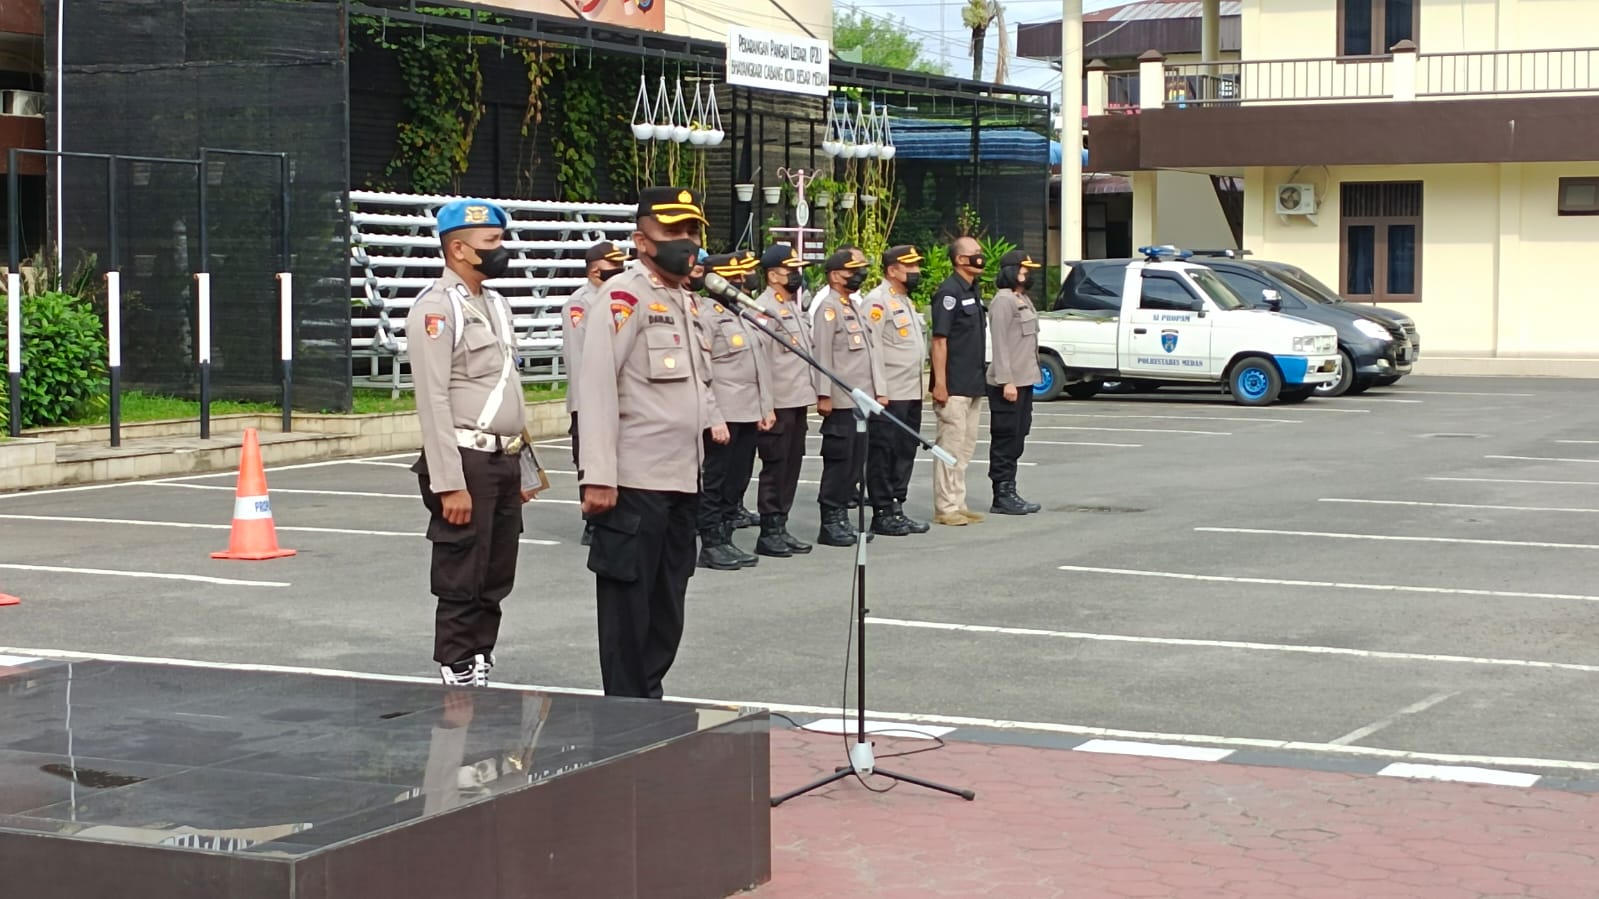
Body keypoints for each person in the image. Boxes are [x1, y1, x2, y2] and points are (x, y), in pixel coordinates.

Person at [576, 186, 715, 700]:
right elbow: (596, 387)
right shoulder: (623, 298)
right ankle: (627, 711)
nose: (686, 241)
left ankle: (648, 698)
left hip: (682, 478)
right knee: (628, 609)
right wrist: (598, 475)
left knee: (667, 604)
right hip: (634, 481)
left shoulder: (688, 301)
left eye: (692, 231)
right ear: (641, 240)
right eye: (673, 231)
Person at [405, 199, 538, 687]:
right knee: (463, 567)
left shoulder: (496, 305)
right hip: (466, 459)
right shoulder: (436, 309)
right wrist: (449, 482)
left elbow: (506, 389)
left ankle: (482, 654)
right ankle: (457, 662)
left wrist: (525, 467)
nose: (501, 250)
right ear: (458, 249)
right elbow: (432, 399)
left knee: (497, 569)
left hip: (503, 457)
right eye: (491, 242)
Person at [692, 253, 777, 570]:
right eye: (735, 277)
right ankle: (711, 543)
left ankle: (726, 536)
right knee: (715, 481)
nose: (743, 282)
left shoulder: (741, 313)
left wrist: (765, 407)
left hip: (747, 413)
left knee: (737, 479)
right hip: (723, 416)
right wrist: (713, 418)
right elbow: (702, 373)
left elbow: (758, 368)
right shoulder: (706, 315)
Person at [810, 247, 887, 547]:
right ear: (834, 275)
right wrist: (823, 394)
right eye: (852, 271)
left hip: (860, 402)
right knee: (839, 461)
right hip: (841, 401)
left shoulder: (852, 306)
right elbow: (822, 355)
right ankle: (830, 522)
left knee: (855, 462)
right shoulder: (828, 308)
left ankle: (842, 516)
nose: (859, 275)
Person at [750, 244, 817, 557]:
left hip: (797, 399)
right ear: (773, 275)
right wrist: (766, 406)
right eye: (790, 270)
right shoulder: (764, 308)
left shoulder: (791, 306)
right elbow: (760, 361)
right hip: (778, 401)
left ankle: (781, 524)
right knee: (776, 466)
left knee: (792, 464)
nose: (796, 275)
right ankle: (769, 530)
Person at [861, 245, 930, 536]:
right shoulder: (877, 302)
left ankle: (897, 506)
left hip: (911, 390)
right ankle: (882, 511)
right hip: (889, 393)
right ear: (892, 270)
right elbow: (872, 350)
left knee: (905, 450)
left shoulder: (905, 301)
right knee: (883, 452)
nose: (916, 271)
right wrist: (879, 391)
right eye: (909, 266)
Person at [563, 242, 627, 546]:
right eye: (613, 265)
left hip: (618, 396)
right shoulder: (580, 304)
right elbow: (579, 357)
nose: (620, 270)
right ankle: (593, 522)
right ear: (594, 271)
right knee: (590, 457)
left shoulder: (621, 299)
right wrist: (587, 403)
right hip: (590, 399)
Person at [928, 236, 990, 527]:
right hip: (953, 385)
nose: (980, 256)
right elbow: (939, 341)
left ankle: (958, 502)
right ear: (960, 259)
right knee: (949, 448)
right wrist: (940, 384)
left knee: (965, 448)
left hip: (972, 382)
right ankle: (945, 507)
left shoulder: (973, 290)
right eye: (975, 252)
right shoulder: (949, 293)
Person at [986, 250, 1045, 515]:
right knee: (1005, 439)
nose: (1027, 274)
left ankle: (1011, 489)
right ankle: (1002, 494)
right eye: (1023, 270)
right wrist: (1006, 381)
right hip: (1008, 383)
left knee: (1018, 437)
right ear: (1011, 271)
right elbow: (1000, 344)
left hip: (1025, 380)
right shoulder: (1003, 301)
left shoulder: (1022, 298)